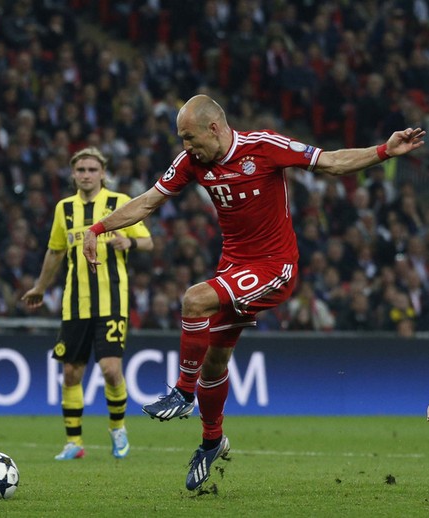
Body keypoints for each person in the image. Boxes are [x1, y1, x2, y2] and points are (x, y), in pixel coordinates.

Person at [83, 94, 425, 490]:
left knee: (194, 299)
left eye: (190, 138)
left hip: (274, 267)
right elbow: (146, 203)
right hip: (234, 267)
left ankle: (182, 392)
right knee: (214, 362)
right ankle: (212, 442)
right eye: (182, 140)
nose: (185, 147)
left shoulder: (265, 147)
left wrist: (385, 150)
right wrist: (98, 229)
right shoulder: (193, 162)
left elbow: (330, 162)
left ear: (214, 128)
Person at [22, 147, 152, 461]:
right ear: (73, 174)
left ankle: (118, 429)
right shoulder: (63, 209)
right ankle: (74, 443)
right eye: (81, 170)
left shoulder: (119, 203)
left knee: (110, 370)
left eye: (92, 170)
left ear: (103, 173)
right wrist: (40, 287)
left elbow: (148, 241)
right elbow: (55, 252)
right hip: (75, 303)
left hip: (112, 301)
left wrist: (130, 241)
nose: (86, 175)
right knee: (70, 374)